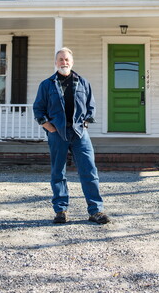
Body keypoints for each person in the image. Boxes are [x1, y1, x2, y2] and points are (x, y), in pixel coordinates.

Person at [33, 47, 110, 225]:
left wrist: (85, 124)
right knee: (58, 171)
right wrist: (48, 127)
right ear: (55, 62)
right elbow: (38, 109)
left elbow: (91, 107)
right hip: (57, 133)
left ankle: (95, 210)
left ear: (72, 62)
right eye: (60, 59)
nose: (64, 62)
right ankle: (60, 210)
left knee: (89, 170)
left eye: (67, 59)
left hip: (79, 133)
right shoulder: (46, 85)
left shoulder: (83, 83)